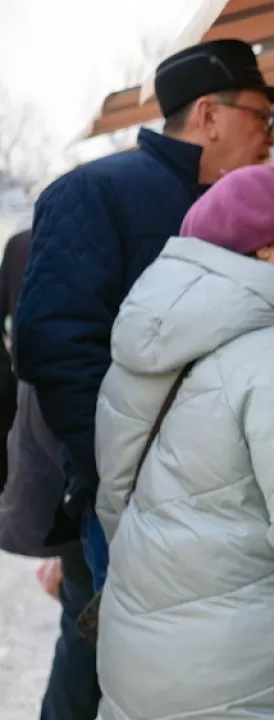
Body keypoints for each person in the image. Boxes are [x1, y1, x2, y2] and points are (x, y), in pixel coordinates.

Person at [13, 38, 274, 602]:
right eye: (263, 116)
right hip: (139, 503)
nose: (272, 135)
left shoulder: (236, 210)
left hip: (226, 498)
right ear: (209, 115)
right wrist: (123, 475)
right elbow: (54, 344)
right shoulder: (94, 193)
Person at [94, 165, 274, 720]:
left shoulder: (140, 346)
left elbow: (115, 497)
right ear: (263, 247)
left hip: (141, 650)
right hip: (263, 676)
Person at [0, 228, 98, 720]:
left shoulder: (22, 248)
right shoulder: (35, 249)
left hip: (58, 457)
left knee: (83, 623)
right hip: (72, 461)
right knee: (85, 627)